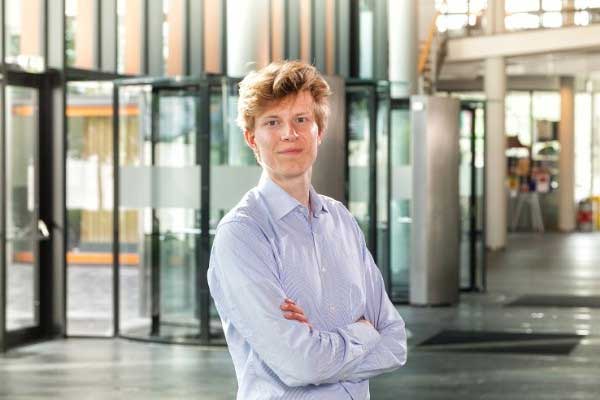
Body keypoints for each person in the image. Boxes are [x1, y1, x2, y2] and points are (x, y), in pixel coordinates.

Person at [207, 60, 407, 399]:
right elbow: (301, 365)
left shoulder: (341, 220)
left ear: (319, 131)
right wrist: (363, 332)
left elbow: (396, 343)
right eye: (273, 122)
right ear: (252, 138)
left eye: (301, 119)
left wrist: (321, 346)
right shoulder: (242, 234)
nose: (289, 133)